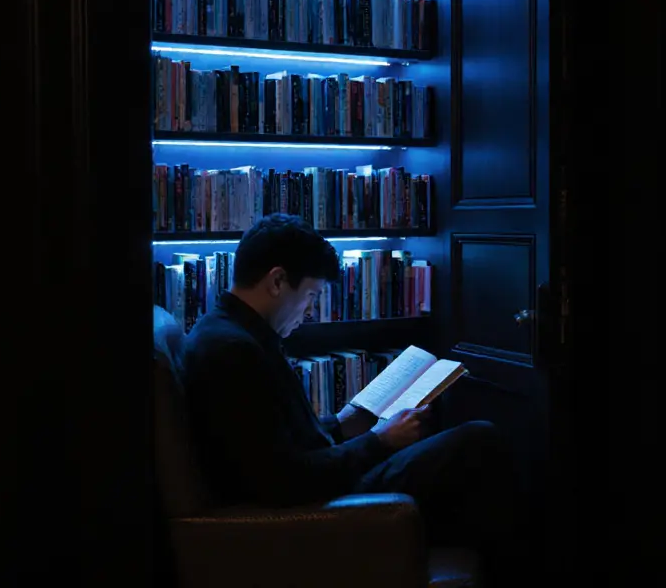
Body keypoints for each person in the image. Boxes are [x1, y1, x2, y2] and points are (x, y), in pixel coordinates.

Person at [180, 213, 521, 582]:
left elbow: (273, 439)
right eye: (311, 296)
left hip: (321, 482)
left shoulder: (230, 333)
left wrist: (341, 425)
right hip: (319, 504)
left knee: (462, 454)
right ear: (277, 281)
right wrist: (379, 441)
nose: (310, 311)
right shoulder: (233, 352)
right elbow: (283, 480)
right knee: (478, 441)